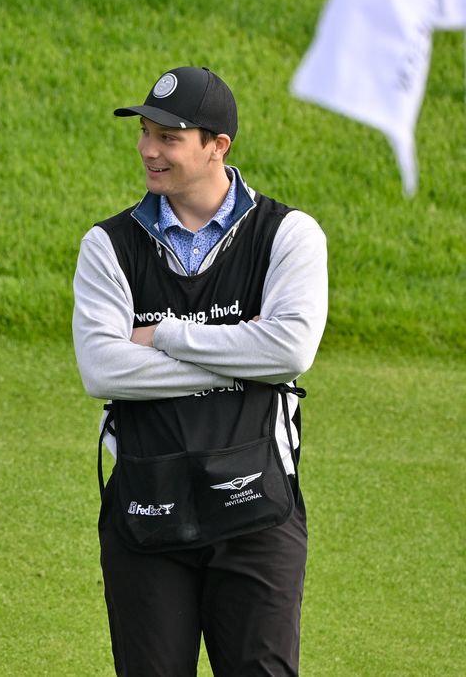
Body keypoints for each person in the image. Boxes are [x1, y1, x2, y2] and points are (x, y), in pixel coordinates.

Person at [72, 66, 327, 676]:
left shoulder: (289, 236)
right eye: (145, 133)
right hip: (146, 508)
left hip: (258, 510)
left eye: (168, 136)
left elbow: (289, 351)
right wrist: (243, 359)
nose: (148, 149)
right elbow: (103, 368)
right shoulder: (108, 245)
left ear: (218, 146)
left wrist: (163, 335)